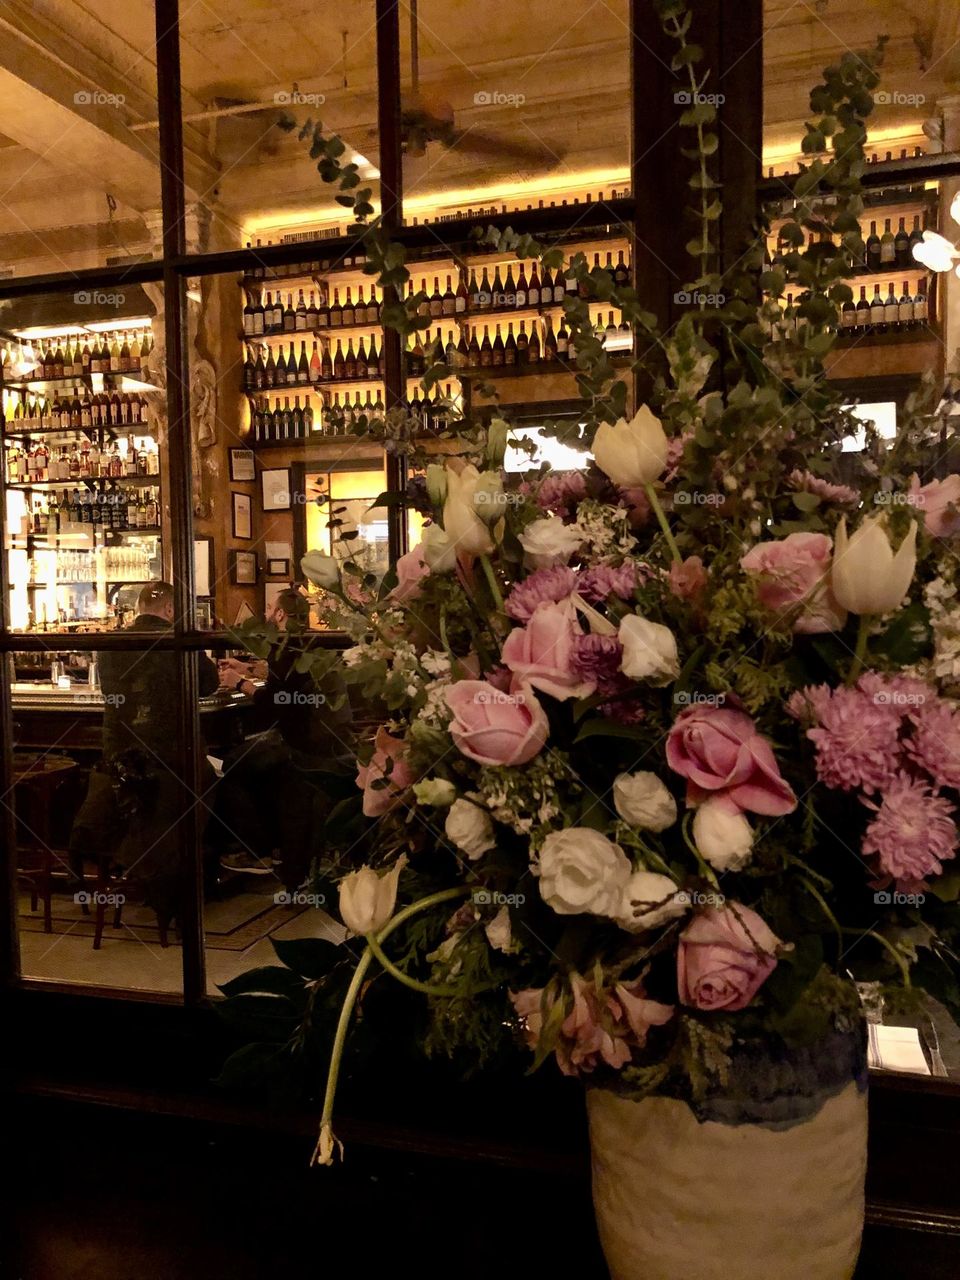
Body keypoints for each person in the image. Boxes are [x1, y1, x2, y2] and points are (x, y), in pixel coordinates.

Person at [69, 581, 220, 925]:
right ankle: (181, 875)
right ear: (170, 610)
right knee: (209, 781)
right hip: (172, 760)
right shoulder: (181, 641)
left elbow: (110, 690)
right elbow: (208, 685)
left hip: (119, 760)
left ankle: (138, 857)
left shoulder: (111, 644)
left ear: (139, 609)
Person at [214, 587, 355, 886]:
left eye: (268, 607)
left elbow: (279, 705)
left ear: (279, 613)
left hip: (301, 744)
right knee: (250, 760)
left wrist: (239, 682)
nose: (265, 613)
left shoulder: (285, 644)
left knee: (231, 768)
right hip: (331, 740)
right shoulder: (308, 641)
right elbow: (290, 683)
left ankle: (257, 851)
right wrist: (251, 668)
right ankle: (277, 849)